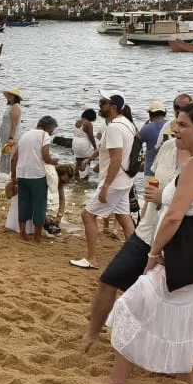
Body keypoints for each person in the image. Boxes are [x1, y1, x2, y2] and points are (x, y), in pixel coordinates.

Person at [102, 102, 193, 384]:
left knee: (131, 305)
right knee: (189, 311)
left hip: (179, 251)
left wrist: (153, 253)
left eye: (184, 125)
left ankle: (117, 380)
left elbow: (173, 216)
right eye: (177, 122)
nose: (175, 128)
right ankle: (185, 376)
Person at [71, 91, 137, 270]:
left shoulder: (115, 127)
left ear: (113, 107)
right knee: (124, 218)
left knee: (88, 215)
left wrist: (106, 185)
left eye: (103, 103)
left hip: (115, 181)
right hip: (125, 180)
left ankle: (92, 259)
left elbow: (116, 158)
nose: (100, 106)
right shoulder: (128, 124)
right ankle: (136, 258)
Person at [10, 115, 58, 242]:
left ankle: (22, 234)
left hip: (22, 174)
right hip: (37, 175)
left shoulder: (25, 135)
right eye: (52, 130)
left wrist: (13, 175)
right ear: (49, 127)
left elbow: (14, 157)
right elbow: (46, 157)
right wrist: (55, 162)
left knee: (23, 204)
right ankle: (37, 237)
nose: (52, 133)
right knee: (39, 206)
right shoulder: (44, 135)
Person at [138, 101, 168, 177]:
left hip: (150, 171)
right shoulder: (172, 126)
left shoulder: (146, 128)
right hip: (168, 172)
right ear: (164, 113)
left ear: (150, 114)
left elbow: (135, 146)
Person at [0, 88, 22, 175]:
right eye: (8, 95)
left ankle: (9, 174)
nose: (8, 97)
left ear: (16, 97)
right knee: (6, 153)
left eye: (11, 95)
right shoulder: (11, 107)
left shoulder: (15, 107)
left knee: (10, 155)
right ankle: (5, 174)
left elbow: (14, 124)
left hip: (11, 136)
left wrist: (11, 138)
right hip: (6, 135)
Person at [72, 108, 97, 178]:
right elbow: (91, 137)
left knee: (78, 161)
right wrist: (95, 147)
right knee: (86, 161)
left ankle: (76, 176)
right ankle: (84, 178)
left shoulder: (77, 122)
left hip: (75, 143)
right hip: (84, 144)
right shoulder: (88, 123)